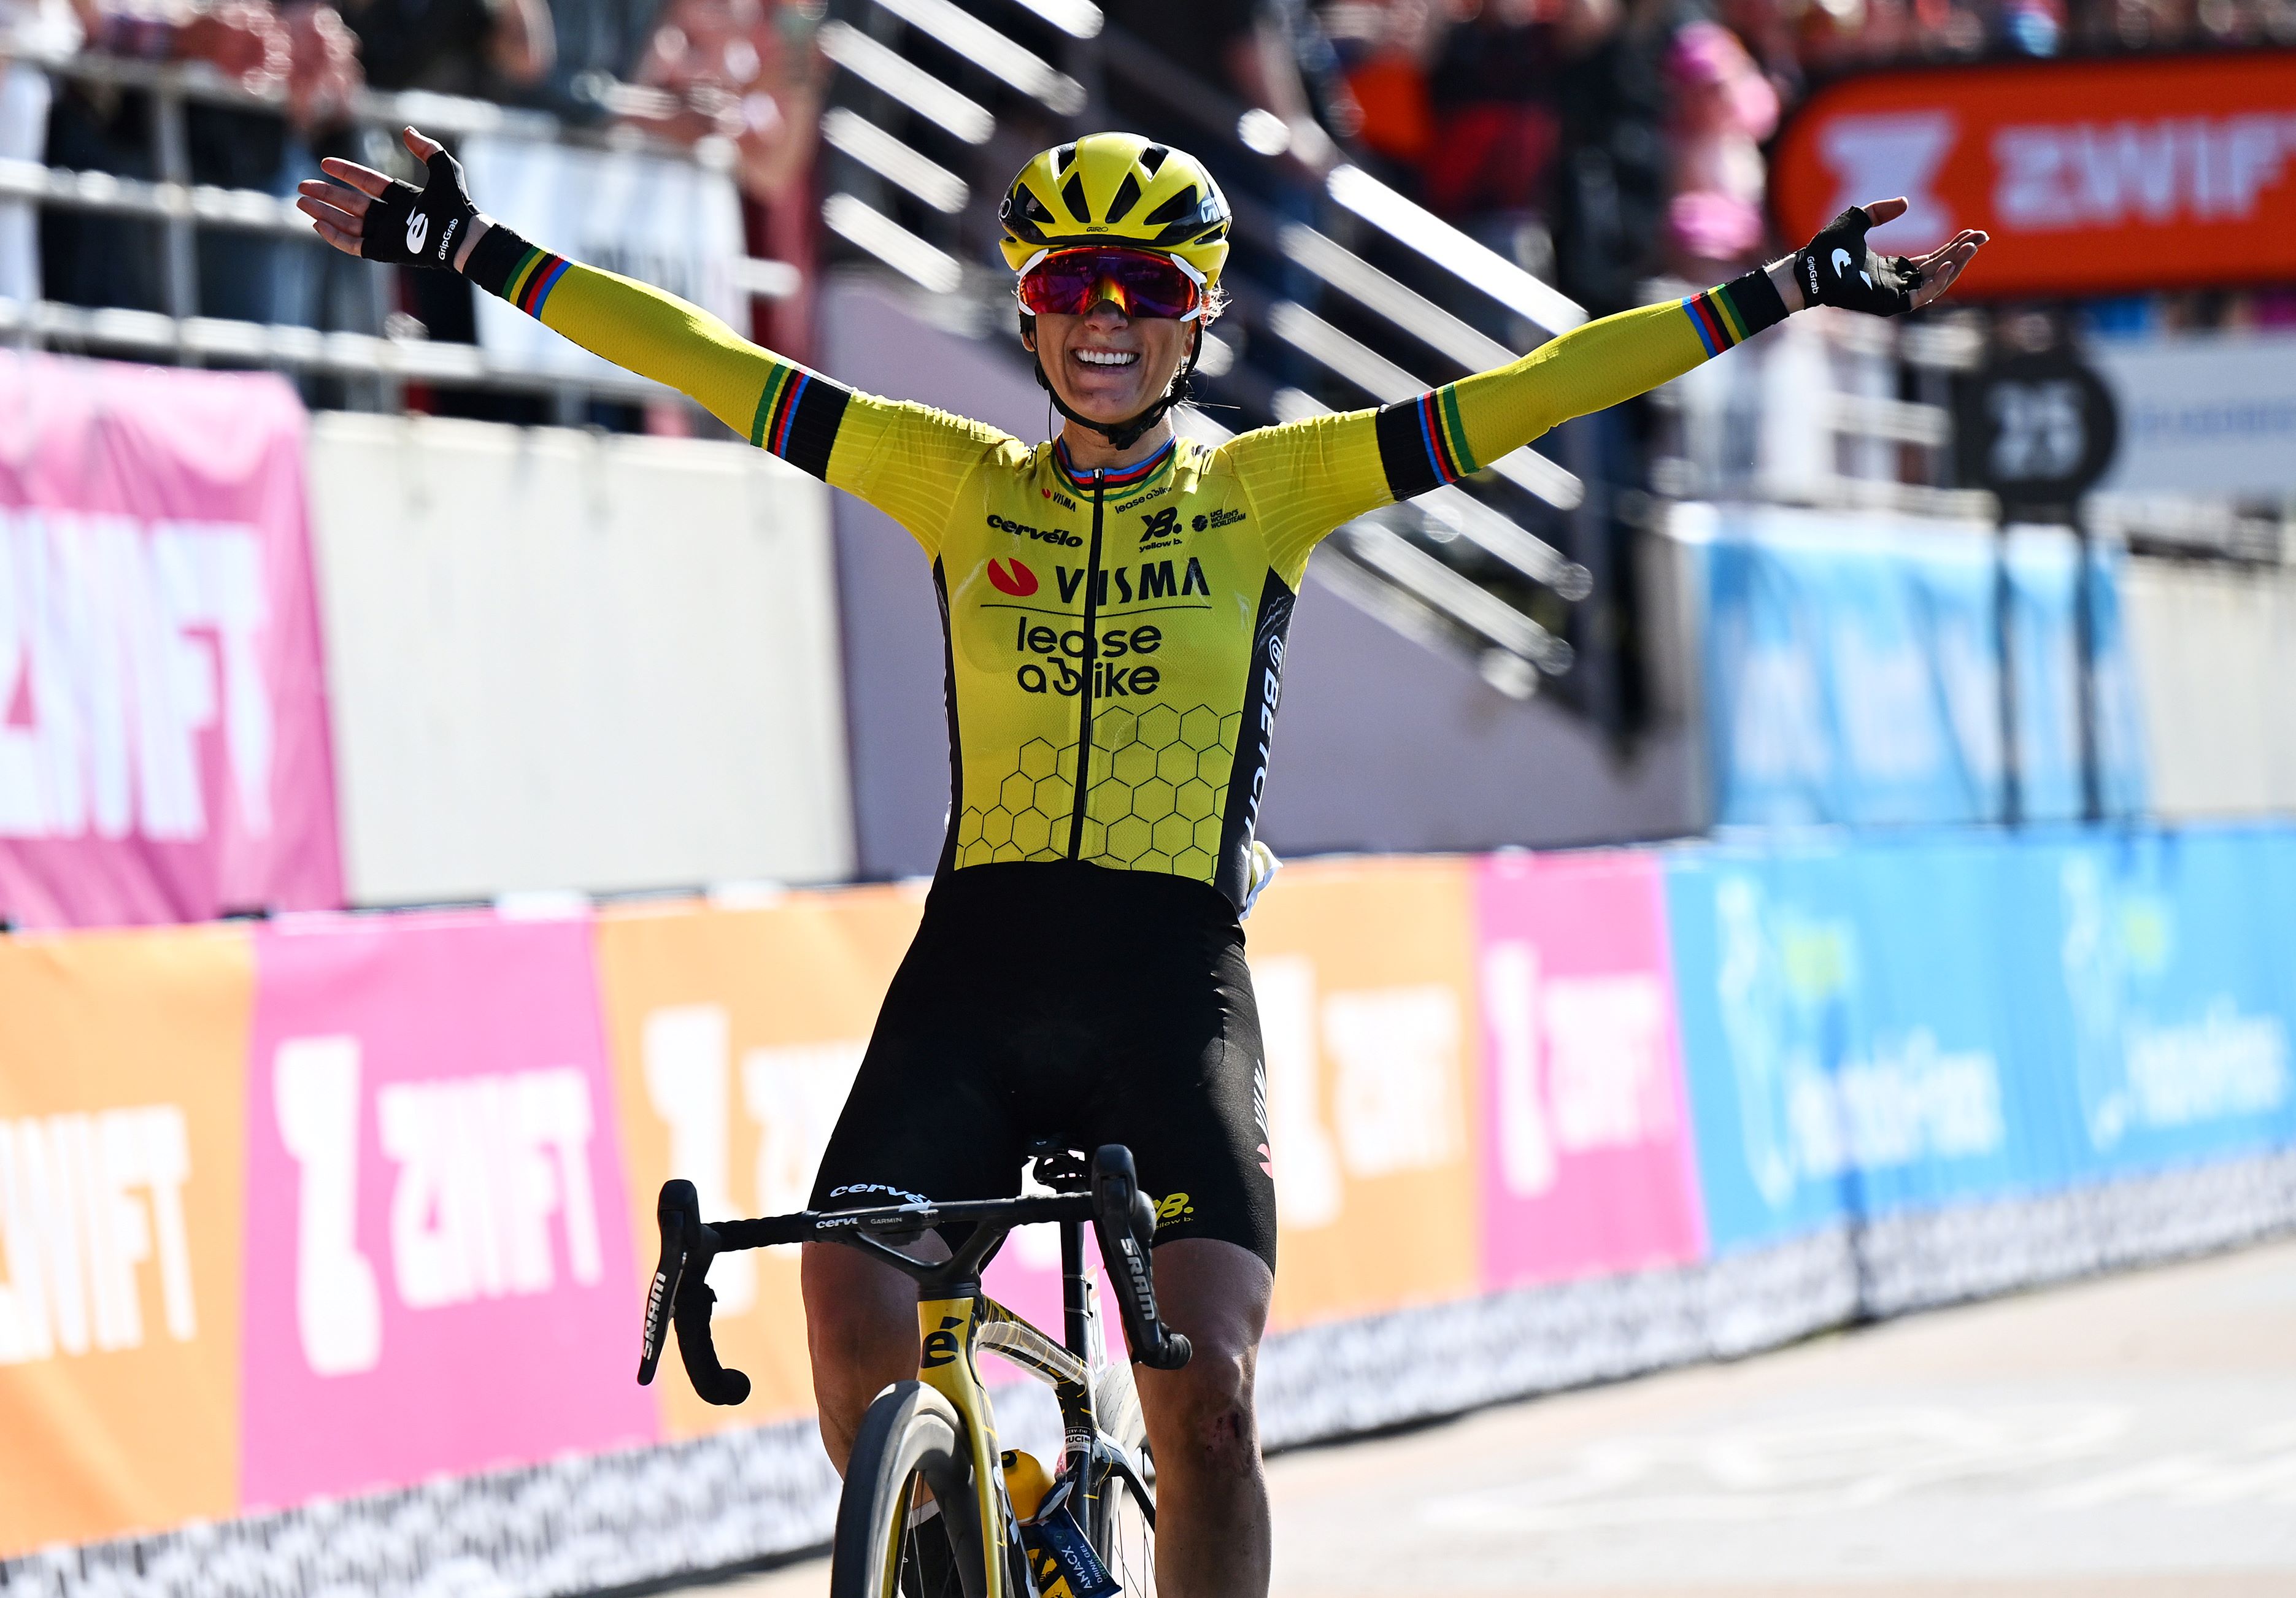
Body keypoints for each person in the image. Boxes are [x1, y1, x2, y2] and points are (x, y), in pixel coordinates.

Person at [296, 126, 1984, 1598]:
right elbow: (700, 359)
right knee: (844, 1302)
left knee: (1214, 1392)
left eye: (1152, 292)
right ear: (1028, 305)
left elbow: (1534, 387)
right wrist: (468, 247)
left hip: (1168, 984)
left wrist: (1782, 286)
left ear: (1200, 317)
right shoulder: (949, 478)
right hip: (976, 973)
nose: (1108, 322)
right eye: (1077, 286)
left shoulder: (1272, 491)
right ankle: (934, 1538)